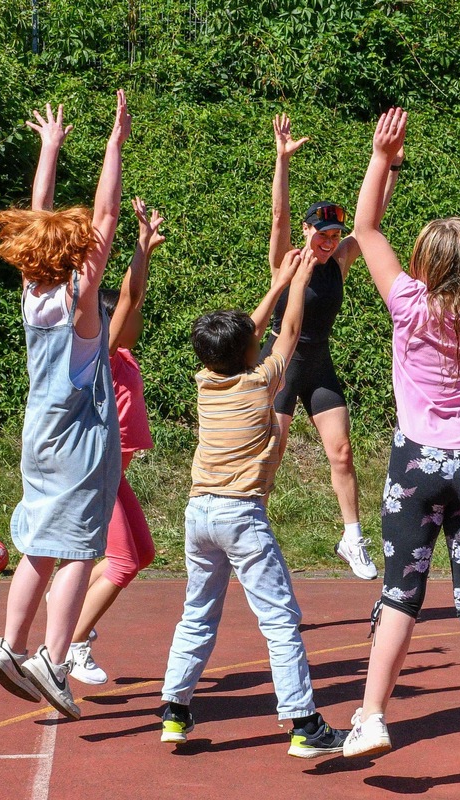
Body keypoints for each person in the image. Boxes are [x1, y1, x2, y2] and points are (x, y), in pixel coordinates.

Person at [341, 108, 460, 763]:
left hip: (417, 466)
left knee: (401, 592)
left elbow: (366, 228)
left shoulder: (408, 304)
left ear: (423, 264)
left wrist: (381, 157)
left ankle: (373, 716)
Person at [158, 247, 348, 758]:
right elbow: (289, 332)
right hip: (240, 514)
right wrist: (299, 280)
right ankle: (304, 724)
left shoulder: (206, 381)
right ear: (249, 352)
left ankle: (174, 709)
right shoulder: (261, 383)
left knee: (197, 613)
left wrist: (279, 281)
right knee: (280, 620)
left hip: (198, 514)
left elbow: (256, 332)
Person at [0, 93, 129, 720]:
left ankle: (9, 645)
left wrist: (49, 148)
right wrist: (114, 143)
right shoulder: (79, 298)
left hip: (37, 433)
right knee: (78, 549)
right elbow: (106, 214)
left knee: (39, 546)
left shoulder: (31, 289)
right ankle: (53, 657)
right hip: (77, 441)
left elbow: (36, 217)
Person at [259, 114, 401, 580]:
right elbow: (278, 215)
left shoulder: (339, 261)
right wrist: (282, 161)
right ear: (307, 231)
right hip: (280, 364)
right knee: (271, 455)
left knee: (341, 452)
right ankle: (252, 532)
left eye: (335, 235)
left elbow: (370, 220)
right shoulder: (286, 259)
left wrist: (390, 166)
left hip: (318, 363)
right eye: (322, 234)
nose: (329, 241)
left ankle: (352, 538)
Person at [65, 197, 165, 685]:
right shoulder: (99, 353)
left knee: (141, 554)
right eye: (126, 316)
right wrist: (141, 248)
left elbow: (132, 302)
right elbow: (131, 296)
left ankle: (63, 603)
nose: (137, 319)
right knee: (123, 562)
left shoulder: (122, 356)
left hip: (112, 472)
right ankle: (68, 645)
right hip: (96, 471)